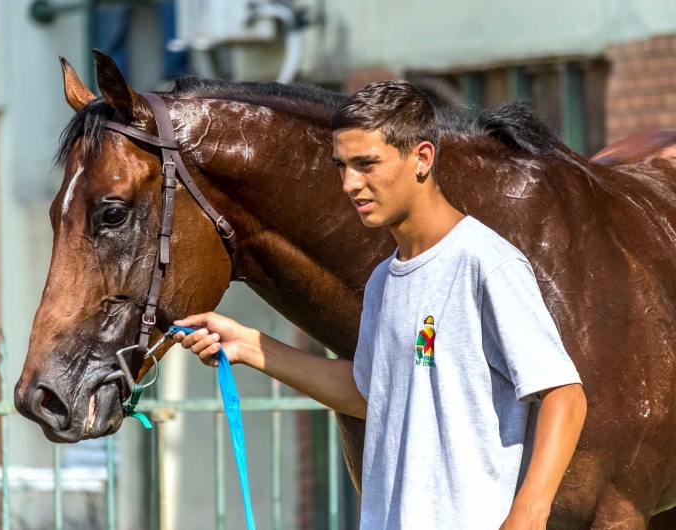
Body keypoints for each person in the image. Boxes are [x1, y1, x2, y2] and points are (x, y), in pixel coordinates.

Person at [172, 80, 587, 530]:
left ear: (422, 158)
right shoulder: (381, 282)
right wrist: (248, 346)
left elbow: (564, 394)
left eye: (366, 164)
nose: (350, 184)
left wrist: (528, 513)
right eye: (343, 166)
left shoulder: (487, 264)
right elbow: (366, 394)